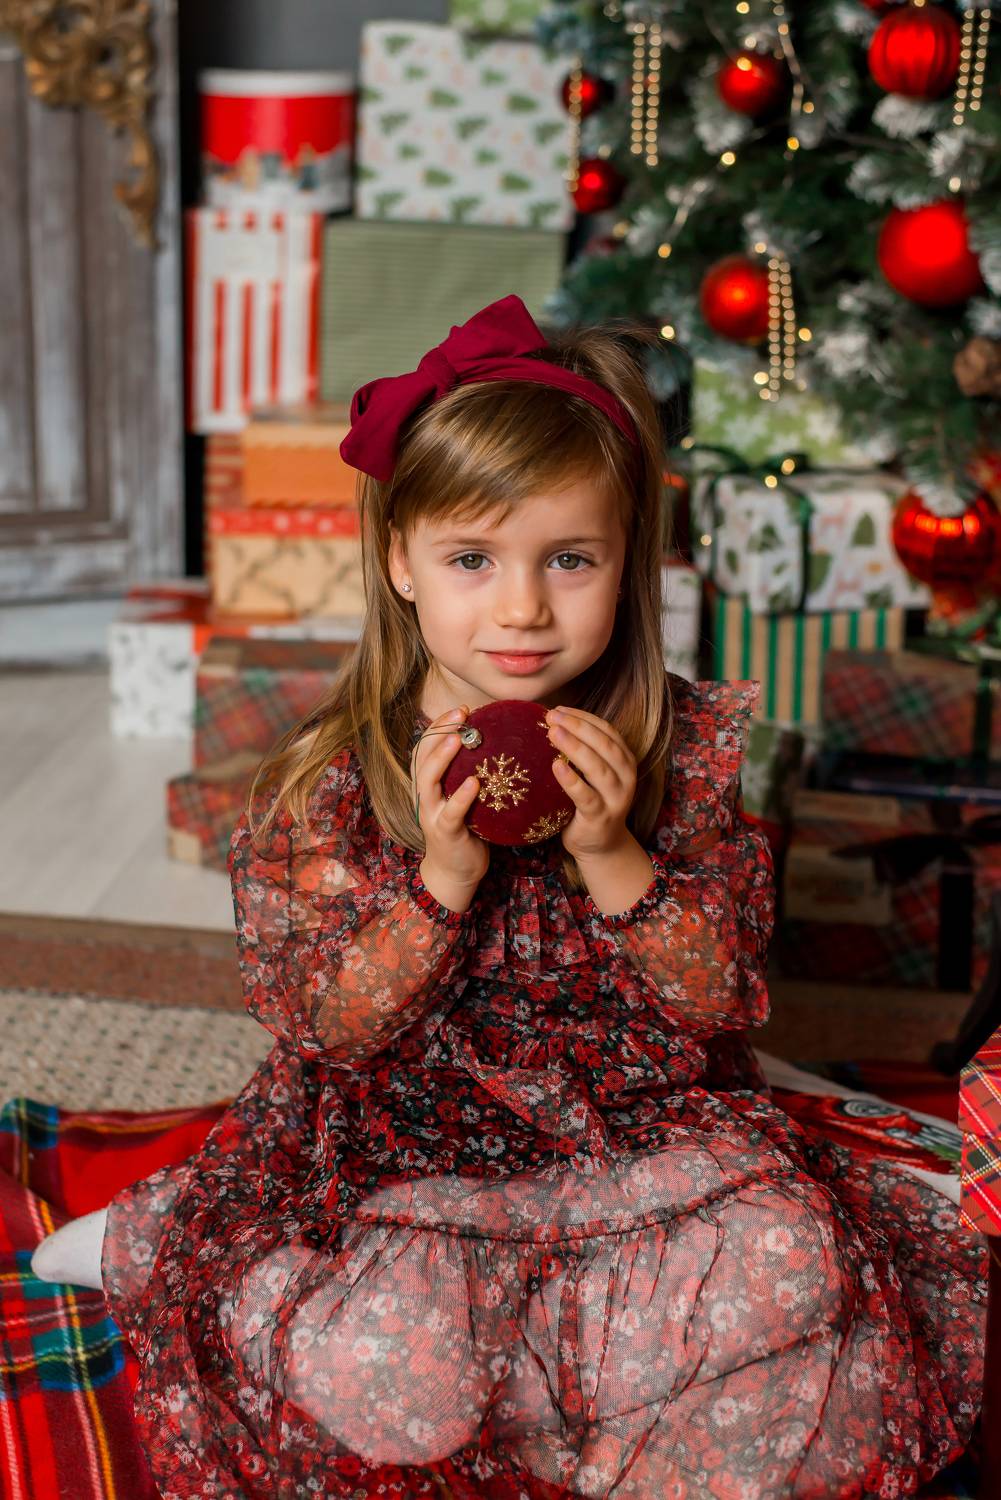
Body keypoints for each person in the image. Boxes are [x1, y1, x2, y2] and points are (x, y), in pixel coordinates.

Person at [32, 294, 986, 1499]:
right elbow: (326, 1023)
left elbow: (717, 1002)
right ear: (400, 561)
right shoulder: (339, 777)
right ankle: (184, 1248)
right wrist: (440, 879)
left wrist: (611, 851)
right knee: (395, 1377)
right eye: (472, 560)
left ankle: (563, 1388)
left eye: (568, 560)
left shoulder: (678, 752)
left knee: (794, 1266)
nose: (523, 608)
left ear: (626, 562)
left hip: (630, 1137)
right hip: (406, 1154)